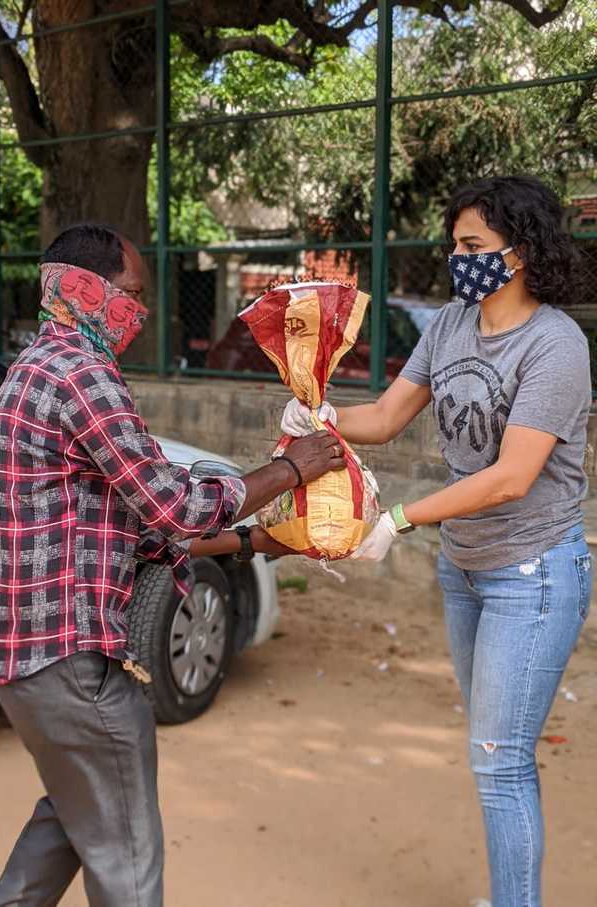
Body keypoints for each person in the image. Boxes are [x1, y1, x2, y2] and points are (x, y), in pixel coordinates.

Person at [0, 222, 345, 907]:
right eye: (132, 294)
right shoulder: (83, 376)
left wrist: (258, 543)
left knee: (74, 815)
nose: (139, 312)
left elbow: (124, 529)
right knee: (128, 856)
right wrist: (290, 468)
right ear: (85, 289)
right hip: (71, 667)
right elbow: (171, 506)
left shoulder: (32, 367)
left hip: (22, 664)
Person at [281, 175, 592, 907]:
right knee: (496, 753)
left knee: (500, 759)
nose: (458, 258)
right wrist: (320, 416)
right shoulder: (451, 324)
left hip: (534, 572)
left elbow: (514, 475)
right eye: (455, 244)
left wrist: (400, 520)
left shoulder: (556, 343)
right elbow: (388, 415)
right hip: (467, 571)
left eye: (474, 246)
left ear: (522, 252)